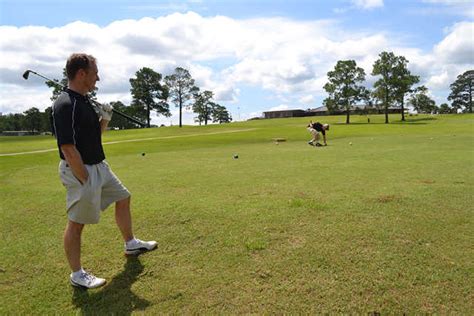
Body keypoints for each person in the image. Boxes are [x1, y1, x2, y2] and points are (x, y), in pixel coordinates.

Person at [52, 53, 157, 289]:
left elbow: (92, 138)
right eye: (94, 73)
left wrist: (105, 119)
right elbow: (68, 148)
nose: (97, 78)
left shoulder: (85, 101)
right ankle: (77, 274)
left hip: (100, 165)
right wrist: (84, 178)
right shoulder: (64, 105)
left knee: (124, 197)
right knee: (76, 223)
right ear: (81, 74)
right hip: (80, 169)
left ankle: (130, 243)